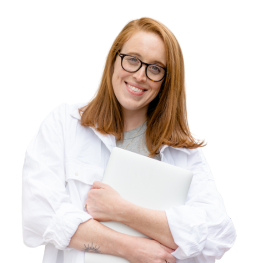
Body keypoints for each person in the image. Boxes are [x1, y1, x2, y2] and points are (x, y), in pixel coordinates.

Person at [21, 16, 237, 263]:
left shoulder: (184, 151)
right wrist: (132, 248)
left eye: (155, 68)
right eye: (132, 59)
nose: (140, 75)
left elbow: (219, 236)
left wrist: (124, 211)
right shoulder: (64, 123)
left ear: (167, 81)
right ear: (114, 59)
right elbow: (40, 217)